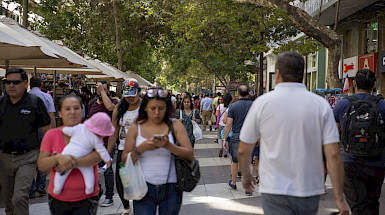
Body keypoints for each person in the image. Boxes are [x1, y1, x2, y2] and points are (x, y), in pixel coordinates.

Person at [238, 51, 349, 215]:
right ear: (302, 74)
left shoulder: (262, 103)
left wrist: (247, 177)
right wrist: (339, 199)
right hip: (309, 189)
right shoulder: (320, 105)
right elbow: (333, 155)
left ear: (277, 74)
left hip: (274, 189)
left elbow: (243, 149)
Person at [121, 88, 194, 215]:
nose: (157, 113)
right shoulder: (135, 127)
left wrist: (168, 146)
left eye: (161, 108)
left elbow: (189, 154)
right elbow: (124, 159)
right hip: (143, 188)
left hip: (171, 188)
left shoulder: (175, 125)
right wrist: (141, 148)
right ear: (145, 108)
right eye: (152, 108)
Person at [37, 95, 103, 214]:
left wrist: (68, 162)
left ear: (82, 110)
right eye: (67, 109)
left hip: (87, 198)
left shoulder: (91, 132)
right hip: (58, 198)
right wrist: (57, 158)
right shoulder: (51, 135)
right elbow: (42, 165)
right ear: (60, 113)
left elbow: (97, 156)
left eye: (76, 108)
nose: (72, 112)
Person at [333, 69, 385, 215]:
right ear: (374, 84)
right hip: (376, 163)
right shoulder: (382, 105)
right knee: (372, 202)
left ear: (354, 83)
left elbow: (333, 134)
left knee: (358, 205)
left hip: (350, 162)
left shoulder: (342, 105)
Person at [0, 68, 51, 215]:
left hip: (28, 157)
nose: (11, 85)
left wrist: (47, 155)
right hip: (4, 157)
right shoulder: (1, 103)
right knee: (9, 202)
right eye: (7, 82)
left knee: (20, 197)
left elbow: (47, 130)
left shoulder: (35, 102)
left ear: (25, 83)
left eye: (15, 82)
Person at [53, 112, 114, 195]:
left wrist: (61, 130)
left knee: (62, 175)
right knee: (89, 176)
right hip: (82, 159)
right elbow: (102, 150)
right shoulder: (96, 139)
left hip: (67, 154)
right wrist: (108, 160)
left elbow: (66, 130)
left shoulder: (80, 127)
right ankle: (89, 189)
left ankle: (57, 188)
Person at [107, 79, 142, 215]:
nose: (130, 97)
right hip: (123, 152)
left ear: (139, 92)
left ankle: (141, 207)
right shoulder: (119, 108)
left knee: (140, 181)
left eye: (133, 94)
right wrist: (107, 152)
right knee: (122, 181)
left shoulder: (145, 107)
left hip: (141, 152)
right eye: (127, 95)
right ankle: (126, 206)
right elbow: (113, 131)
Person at [88, 80, 118, 206]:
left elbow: (110, 107)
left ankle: (109, 196)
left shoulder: (114, 102)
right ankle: (98, 191)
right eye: (99, 89)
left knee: (107, 170)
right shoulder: (91, 103)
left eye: (104, 89)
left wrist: (103, 92)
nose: (101, 91)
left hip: (108, 142)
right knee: (92, 169)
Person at [28, 76, 57, 199]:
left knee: (29, 159)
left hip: (29, 130)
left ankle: (32, 187)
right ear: (41, 85)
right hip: (44, 129)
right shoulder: (47, 96)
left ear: (29, 84)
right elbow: (51, 116)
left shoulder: (25, 97)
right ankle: (41, 185)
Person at [223, 85, 253, 196]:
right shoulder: (254, 105)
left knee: (234, 161)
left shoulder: (233, 107)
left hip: (236, 136)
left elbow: (228, 123)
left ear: (238, 94)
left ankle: (234, 182)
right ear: (248, 93)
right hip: (250, 137)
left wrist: (225, 139)